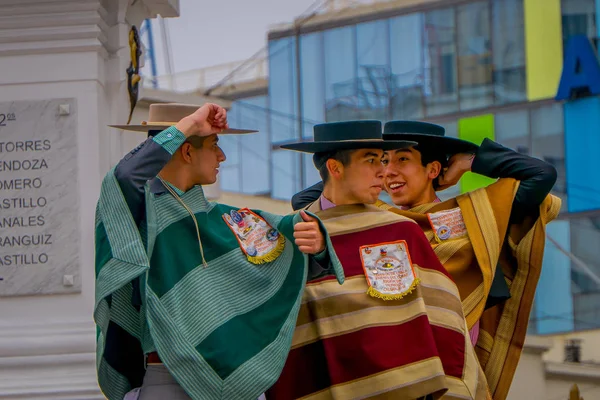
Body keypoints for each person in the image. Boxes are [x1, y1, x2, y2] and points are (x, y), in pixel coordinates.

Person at [291, 120, 561, 400]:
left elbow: (540, 175)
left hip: (450, 363)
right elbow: (305, 199)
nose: (389, 170)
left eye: (403, 159)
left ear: (433, 169)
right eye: (381, 161)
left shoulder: (473, 215)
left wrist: (469, 162)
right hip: (389, 363)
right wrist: (354, 165)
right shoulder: (374, 221)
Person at [94, 103, 343, 400]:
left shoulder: (225, 220)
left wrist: (314, 242)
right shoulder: (140, 211)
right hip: (167, 380)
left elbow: (291, 253)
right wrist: (189, 125)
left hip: (236, 386)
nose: (222, 156)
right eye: (214, 145)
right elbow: (124, 178)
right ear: (186, 151)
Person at [266, 121, 489, 400]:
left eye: (383, 160)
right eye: (371, 160)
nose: (384, 171)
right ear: (335, 169)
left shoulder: (401, 231)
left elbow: (443, 317)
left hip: (403, 390)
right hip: (320, 384)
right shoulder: (292, 234)